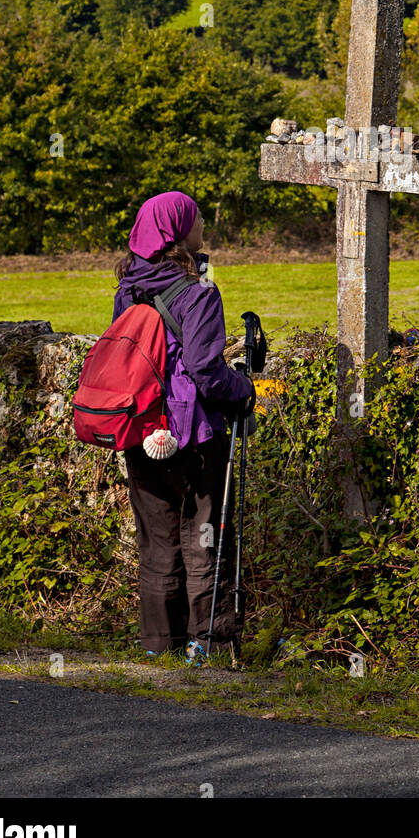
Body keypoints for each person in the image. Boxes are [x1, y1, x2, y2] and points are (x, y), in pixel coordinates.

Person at [113, 190, 255, 661]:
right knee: (204, 535)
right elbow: (205, 372)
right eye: (194, 219)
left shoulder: (128, 288)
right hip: (192, 435)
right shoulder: (198, 293)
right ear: (177, 232)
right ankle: (207, 643)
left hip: (141, 428)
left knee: (156, 538)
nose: (200, 227)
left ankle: (159, 645)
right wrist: (244, 389)